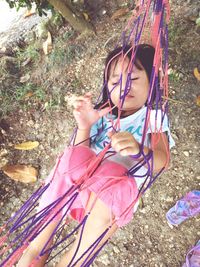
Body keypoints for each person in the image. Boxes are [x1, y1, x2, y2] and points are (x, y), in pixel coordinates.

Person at [17, 44, 174, 267]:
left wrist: (140, 150)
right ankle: (34, 252)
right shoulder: (102, 113)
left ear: (152, 83)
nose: (124, 85)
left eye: (134, 78)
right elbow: (79, 156)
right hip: (77, 184)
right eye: (115, 80)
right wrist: (85, 126)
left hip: (110, 196)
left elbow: (164, 160)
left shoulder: (153, 118)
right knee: (69, 157)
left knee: (113, 174)